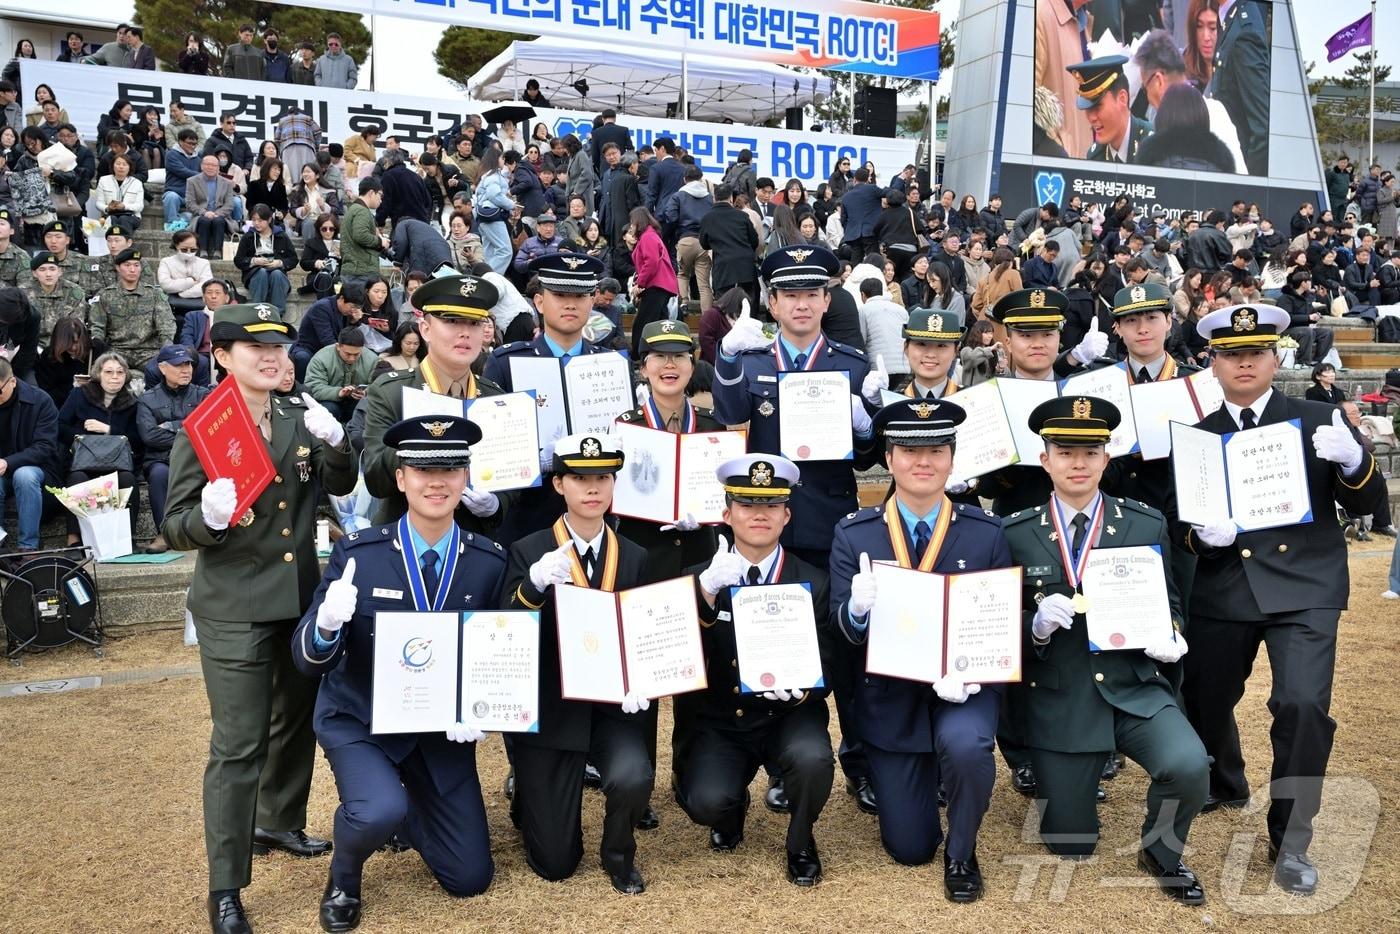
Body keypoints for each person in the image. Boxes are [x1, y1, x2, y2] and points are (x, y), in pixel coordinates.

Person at [1177, 303, 1385, 897]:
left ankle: (1291, 836)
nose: (1245, 363)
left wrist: (1355, 462)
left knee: (1301, 706)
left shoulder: (1319, 417)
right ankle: (1227, 779)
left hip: (1306, 587)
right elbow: (1181, 523)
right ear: (1212, 364)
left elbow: (1371, 508)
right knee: (1204, 699)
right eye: (1231, 354)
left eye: (1256, 352)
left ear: (1275, 358)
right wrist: (1202, 537)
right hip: (1227, 586)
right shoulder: (1198, 438)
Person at [162, 302, 358, 934]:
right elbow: (174, 526)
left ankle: (279, 818)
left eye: (279, 347)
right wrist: (207, 519)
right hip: (235, 608)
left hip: (298, 596)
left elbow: (339, 482)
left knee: (296, 719)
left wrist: (338, 442)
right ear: (221, 355)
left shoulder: (300, 416)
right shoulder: (203, 428)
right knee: (238, 742)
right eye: (255, 348)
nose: (272, 358)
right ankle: (226, 884)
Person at [294, 413, 504, 931]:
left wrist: (479, 704)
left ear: (465, 477)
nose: (438, 482)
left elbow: (497, 654)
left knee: (470, 877)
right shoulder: (357, 556)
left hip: (440, 731)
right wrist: (325, 625)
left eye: (451, 469)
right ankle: (344, 876)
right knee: (376, 811)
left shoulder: (487, 562)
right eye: (422, 469)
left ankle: (411, 807)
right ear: (400, 477)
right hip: (362, 718)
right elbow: (306, 658)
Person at [1004, 394, 1208, 904]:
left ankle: (1161, 850)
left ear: (1106, 458)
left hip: (1133, 688)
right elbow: (994, 624)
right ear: (1044, 458)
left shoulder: (1143, 523)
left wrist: (1173, 636)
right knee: (1071, 843)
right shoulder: (1014, 533)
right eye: (1065, 451)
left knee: (1188, 765)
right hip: (1061, 699)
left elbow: (1172, 602)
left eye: (1090, 452)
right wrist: (1036, 627)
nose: (1078, 462)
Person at [712, 244, 878, 813]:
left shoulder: (851, 364)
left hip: (831, 527)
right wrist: (728, 358)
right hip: (767, 531)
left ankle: (858, 760)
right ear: (773, 302)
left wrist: (863, 428)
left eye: (812, 293)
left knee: (845, 646)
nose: (802, 303)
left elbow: (864, 459)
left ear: (827, 299)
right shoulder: (753, 359)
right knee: (774, 640)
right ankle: (784, 765)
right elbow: (730, 411)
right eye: (791, 294)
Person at [829, 398, 1012, 901]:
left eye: (935, 449)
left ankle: (962, 850)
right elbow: (843, 629)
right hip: (891, 698)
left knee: (968, 745)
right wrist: (858, 610)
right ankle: (923, 785)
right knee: (909, 848)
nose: (923, 461)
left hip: (962, 689)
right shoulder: (854, 533)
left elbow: (997, 619)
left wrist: (977, 669)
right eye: (909, 451)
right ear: (888, 459)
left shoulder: (986, 533)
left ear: (952, 457)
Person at [500, 431, 655, 894]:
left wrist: (644, 675)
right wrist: (532, 587)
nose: (593, 488)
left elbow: (646, 630)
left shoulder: (637, 556)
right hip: (551, 708)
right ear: (558, 485)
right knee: (554, 863)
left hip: (611, 707)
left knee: (633, 776)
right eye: (580, 477)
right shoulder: (528, 551)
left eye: (603, 477)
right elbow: (504, 632)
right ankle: (529, 792)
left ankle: (619, 854)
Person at [677, 454, 834, 885]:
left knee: (813, 760)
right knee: (705, 801)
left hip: (788, 716)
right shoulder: (699, 577)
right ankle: (731, 812)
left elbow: (831, 659)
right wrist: (705, 595)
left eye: (770, 506)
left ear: (786, 514)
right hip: (723, 721)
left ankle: (801, 841)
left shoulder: (813, 581)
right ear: (727, 514)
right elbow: (680, 653)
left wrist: (803, 689)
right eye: (747, 504)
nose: (758, 515)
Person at [484, 253, 617, 541]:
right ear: (539, 301)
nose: (571, 304)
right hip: (526, 520)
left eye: (581, 296)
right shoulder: (505, 363)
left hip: (597, 523)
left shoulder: (611, 365)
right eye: (559, 294)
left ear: (592, 301)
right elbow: (493, 450)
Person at [364, 273, 508, 530]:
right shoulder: (392, 392)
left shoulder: (494, 398)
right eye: (452, 321)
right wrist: (415, 433)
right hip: (402, 540)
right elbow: (376, 480)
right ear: (426, 329)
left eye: (475, 323)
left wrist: (496, 504)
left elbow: (511, 483)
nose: (465, 333)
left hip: (475, 544)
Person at [57, 351, 141, 547]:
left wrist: (109, 430)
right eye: (109, 372)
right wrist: (82, 435)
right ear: (98, 374)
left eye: (120, 373)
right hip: (83, 462)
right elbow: (60, 426)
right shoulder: (80, 394)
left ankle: (127, 538)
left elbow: (137, 439)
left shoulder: (131, 402)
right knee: (77, 479)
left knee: (128, 480)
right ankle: (74, 538)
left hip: (116, 463)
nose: (115, 377)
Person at [136, 344, 210, 554]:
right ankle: (164, 533)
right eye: (179, 365)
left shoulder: (203, 394)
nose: (186, 370)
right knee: (159, 474)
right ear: (163, 368)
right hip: (161, 458)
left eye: (188, 364)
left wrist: (171, 426)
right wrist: (188, 428)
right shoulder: (147, 399)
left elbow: (205, 428)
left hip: (197, 456)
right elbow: (149, 436)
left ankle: (204, 529)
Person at [0, 355, 59, 550]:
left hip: (39, 469)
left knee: (24, 475)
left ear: (13, 382)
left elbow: (45, 446)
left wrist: (8, 462)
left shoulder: (40, 400)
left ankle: (28, 549)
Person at [1207, 0, 1269, 175]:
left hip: (1237, 174)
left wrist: (1249, 187)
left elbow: (1262, 129)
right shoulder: (1230, 19)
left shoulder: (1245, 31)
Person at [89, 248, 176, 373]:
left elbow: (166, 325)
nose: (132, 269)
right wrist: (97, 341)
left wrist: (166, 347)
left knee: (159, 371)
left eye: (136, 265)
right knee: (106, 373)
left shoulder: (154, 294)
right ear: (118, 268)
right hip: (117, 351)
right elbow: (97, 326)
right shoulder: (105, 295)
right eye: (127, 265)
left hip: (149, 352)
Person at [1065, 56, 1150, 163]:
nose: (1091, 118)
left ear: (1122, 99)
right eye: (1088, 108)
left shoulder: (1153, 148)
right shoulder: (1095, 156)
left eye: (1097, 106)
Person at [628, 207, 678, 360]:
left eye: (632, 222)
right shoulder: (651, 235)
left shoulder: (648, 236)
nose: (631, 226)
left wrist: (639, 284)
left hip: (656, 285)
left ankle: (638, 356)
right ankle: (658, 354)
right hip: (661, 285)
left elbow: (651, 263)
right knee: (660, 323)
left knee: (642, 323)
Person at [699, 184, 759, 305]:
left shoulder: (707, 218)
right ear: (731, 198)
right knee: (749, 303)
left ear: (714, 198)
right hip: (745, 265)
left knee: (724, 304)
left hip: (723, 266)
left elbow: (704, 244)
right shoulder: (742, 216)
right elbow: (754, 241)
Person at [305, 326, 377, 423]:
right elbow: (312, 387)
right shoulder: (321, 358)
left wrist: (366, 392)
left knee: (367, 407)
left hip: (357, 401)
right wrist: (338, 392)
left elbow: (379, 385)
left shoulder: (372, 359)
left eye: (356, 354)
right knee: (329, 410)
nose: (352, 358)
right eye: (347, 354)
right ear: (338, 346)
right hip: (329, 401)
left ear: (362, 348)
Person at [233, 204, 297, 310]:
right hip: (255, 273)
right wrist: (254, 261)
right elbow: (238, 260)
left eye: (260, 220)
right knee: (261, 273)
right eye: (254, 220)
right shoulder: (248, 236)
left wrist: (279, 263)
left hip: (277, 272)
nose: (256, 223)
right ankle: (258, 310)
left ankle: (277, 313)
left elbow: (293, 259)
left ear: (269, 219)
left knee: (276, 274)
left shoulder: (281, 235)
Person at [24, 251, 87, 342]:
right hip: (32, 343)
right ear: (34, 273)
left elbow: (76, 326)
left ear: (60, 271)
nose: (48, 274)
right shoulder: (23, 292)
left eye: (52, 269)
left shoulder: (73, 292)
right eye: (42, 269)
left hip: (64, 342)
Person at [856, 278, 908, 382]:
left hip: (879, 369)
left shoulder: (863, 310)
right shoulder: (901, 309)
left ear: (863, 294)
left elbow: (861, 340)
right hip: (904, 366)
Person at [186, 155, 236, 261]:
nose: (210, 167)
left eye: (214, 165)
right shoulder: (192, 181)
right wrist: (204, 212)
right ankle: (203, 250)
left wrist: (217, 213)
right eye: (207, 164)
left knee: (218, 220)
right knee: (205, 220)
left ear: (218, 168)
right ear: (202, 166)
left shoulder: (226, 183)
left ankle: (218, 251)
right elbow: (190, 203)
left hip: (220, 215)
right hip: (201, 215)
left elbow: (229, 204)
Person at [158, 231, 213, 316]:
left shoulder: (204, 263)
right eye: (184, 249)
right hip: (171, 307)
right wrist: (191, 281)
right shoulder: (166, 262)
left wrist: (183, 293)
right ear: (176, 246)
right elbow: (166, 285)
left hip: (199, 306)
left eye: (193, 249)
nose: (188, 252)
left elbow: (206, 286)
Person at [0, 286, 38, 382]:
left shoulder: (31, 316)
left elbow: (28, 352)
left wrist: (12, 376)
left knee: (30, 391)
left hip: (16, 361)